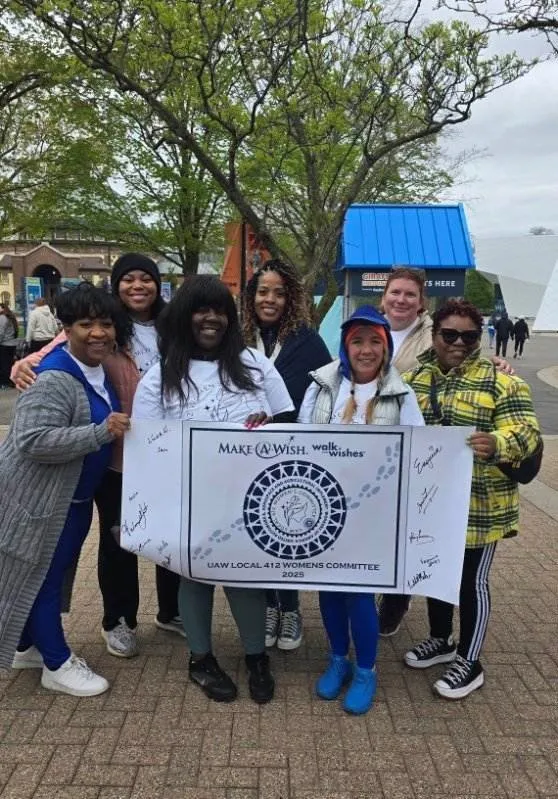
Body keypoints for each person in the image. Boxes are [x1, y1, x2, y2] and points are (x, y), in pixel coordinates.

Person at [133, 275, 294, 704]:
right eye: (201, 309)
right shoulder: (161, 375)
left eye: (220, 310)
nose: (211, 318)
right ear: (184, 316)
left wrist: (268, 426)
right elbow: (147, 446)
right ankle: (200, 658)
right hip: (188, 498)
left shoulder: (254, 364)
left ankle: (256, 656)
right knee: (195, 576)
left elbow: (288, 423)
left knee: (244, 576)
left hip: (250, 497)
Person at [10, 253, 181, 658]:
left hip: (168, 454)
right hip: (116, 455)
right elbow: (53, 351)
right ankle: (118, 620)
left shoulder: (173, 326)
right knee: (118, 538)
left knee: (170, 534)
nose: (137, 286)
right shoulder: (103, 325)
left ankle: (171, 611)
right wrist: (23, 366)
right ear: (116, 285)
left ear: (157, 284)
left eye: (145, 278)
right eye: (128, 279)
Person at [403, 299, 541, 699]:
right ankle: (441, 639)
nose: (459, 342)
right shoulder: (413, 380)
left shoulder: (502, 382)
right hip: (430, 504)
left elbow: (527, 432)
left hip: (481, 505)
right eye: (449, 334)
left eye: (469, 336)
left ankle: (470, 659)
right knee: (435, 572)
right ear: (434, 335)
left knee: (472, 580)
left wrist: (498, 442)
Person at [0, 284, 130, 696]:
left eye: (106, 323)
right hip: (39, 503)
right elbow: (32, 439)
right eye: (86, 324)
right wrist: (99, 432)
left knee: (47, 573)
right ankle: (56, 663)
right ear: (66, 329)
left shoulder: (95, 368)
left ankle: (28, 646)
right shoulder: (55, 376)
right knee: (43, 579)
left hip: (69, 501)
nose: (98, 332)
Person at [298, 305, 424, 714]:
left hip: (373, 512)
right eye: (357, 341)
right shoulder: (321, 387)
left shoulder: (401, 395)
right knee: (330, 590)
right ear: (345, 345)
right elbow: (300, 442)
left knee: (359, 592)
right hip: (325, 509)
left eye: (374, 341)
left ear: (385, 347)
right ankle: (339, 659)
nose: (366, 350)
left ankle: (366, 669)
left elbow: (418, 450)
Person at [376, 267, 513, 637]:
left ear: (421, 302)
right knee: (391, 532)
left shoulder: (433, 334)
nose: (401, 300)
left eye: (410, 294)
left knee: (425, 538)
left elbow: (464, 351)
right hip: (387, 443)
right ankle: (402, 603)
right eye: (395, 292)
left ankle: (398, 601)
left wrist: (494, 363)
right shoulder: (368, 328)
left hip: (433, 455)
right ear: (384, 296)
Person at [243, 259, 331, 651]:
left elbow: (329, 385)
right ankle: (267, 606)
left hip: (292, 451)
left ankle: (290, 608)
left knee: (289, 529)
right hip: (245, 451)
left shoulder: (307, 340)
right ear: (252, 295)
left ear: (290, 298)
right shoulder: (238, 337)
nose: (270, 299)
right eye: (263, 291)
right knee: (256, 528)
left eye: (279, 293)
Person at [0, 303, 19, 388]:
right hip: (12, 343)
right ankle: (12, 381)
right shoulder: (11, 317)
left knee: (4, 364)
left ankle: (5, 383)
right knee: (10, 363)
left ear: (2, 309)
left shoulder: (2, 318)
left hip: (4, 344)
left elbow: (1, 332)